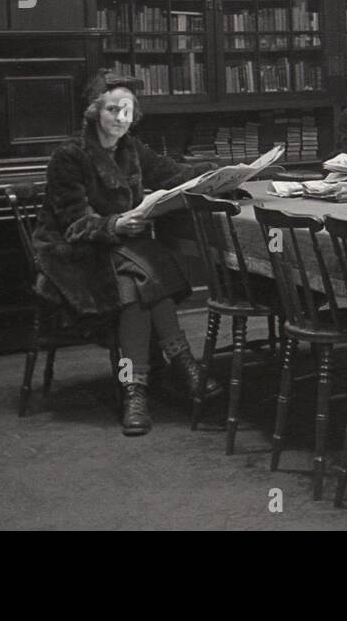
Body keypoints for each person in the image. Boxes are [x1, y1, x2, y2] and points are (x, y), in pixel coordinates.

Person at [33, 70, 223, 436]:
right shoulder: (70, 155)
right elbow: (73, 223)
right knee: (139, 273)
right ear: (94, 112)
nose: (121, 118)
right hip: (75, 255)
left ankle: (136, 391)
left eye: (127, 111)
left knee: (133, 282)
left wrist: (219, 174)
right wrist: (114, 225)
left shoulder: (130, 149)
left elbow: (173, 174)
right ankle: (183, 363)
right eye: (112, 110)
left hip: (121, 254)